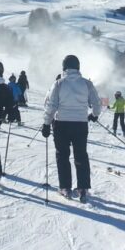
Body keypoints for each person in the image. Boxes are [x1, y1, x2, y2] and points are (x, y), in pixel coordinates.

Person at [45, 56, 99, 201]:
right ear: (78, 66)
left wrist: (46, 123)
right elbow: (96, 102)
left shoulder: (59, 83)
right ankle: (83, 188)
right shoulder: (86, 83)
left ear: (64, 67)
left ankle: (65, 188)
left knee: (62, 155)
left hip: (62, 123)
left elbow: (51, 105)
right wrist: (94, 115)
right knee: (81, 154)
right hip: (80, 123)